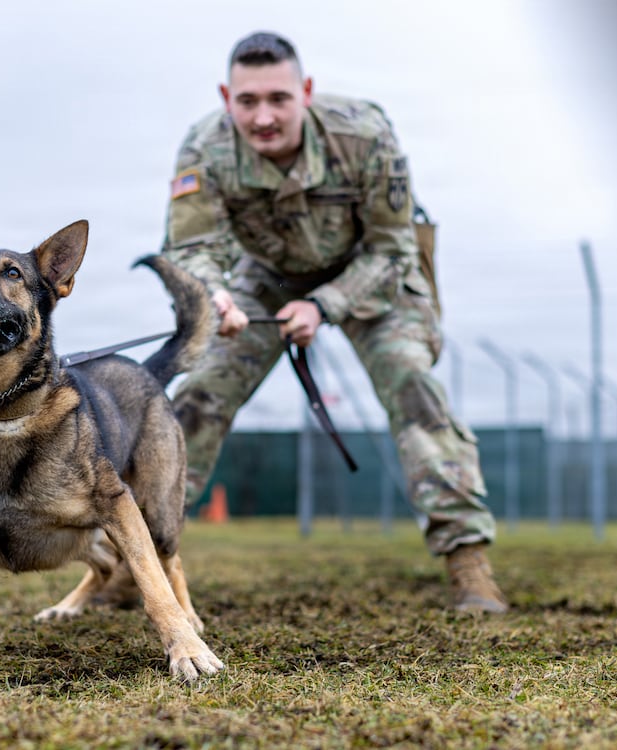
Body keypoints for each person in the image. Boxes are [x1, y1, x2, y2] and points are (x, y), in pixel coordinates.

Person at [160, 31, 507, 613]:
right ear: (227, 97)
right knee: (197, 392)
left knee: (410, 380)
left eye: (279, 99)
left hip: (369, 274)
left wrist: (325, 305)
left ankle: (468, 562)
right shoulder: (204, 148)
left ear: (307, 92)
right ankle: (139, 558)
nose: (263, 117)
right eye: (247, 102)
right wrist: (214, 296)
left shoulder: (364, 133)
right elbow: (191, 248)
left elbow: (394, 249)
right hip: (263, 278)